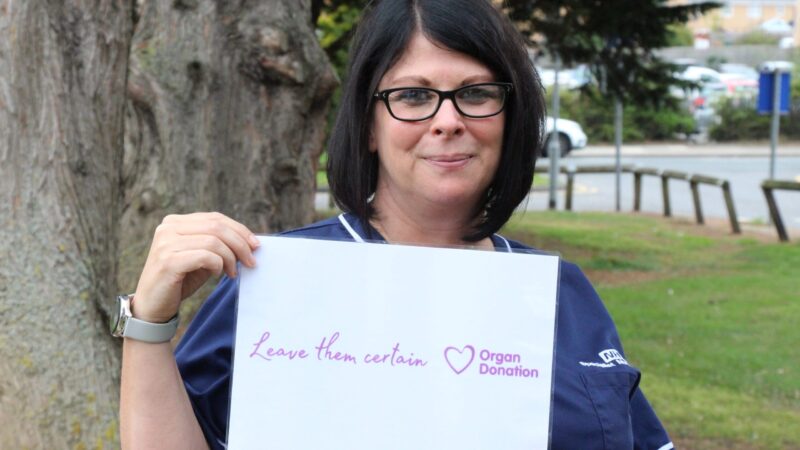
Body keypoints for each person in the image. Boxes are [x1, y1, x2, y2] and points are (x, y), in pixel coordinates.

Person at [119, 0, 674, 449]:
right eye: (413, 96)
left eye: (477, 93)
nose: (448, 121)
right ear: (367, 125)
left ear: (512, 116)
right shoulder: (273, 285)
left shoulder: (563, 294)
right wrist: (148, 323)